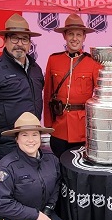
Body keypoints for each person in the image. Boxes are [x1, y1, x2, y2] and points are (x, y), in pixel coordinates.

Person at [0, 14, 44, 163]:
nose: (19, 44)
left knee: (32, 182)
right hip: (6, 142)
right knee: (6, 183)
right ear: (5, 41)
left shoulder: (35, 68)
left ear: (30, 43)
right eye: (14, 38)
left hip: (32, 140)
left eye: (24, 39)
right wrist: (0, 123)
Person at [43, 14, 101, 158]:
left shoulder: (92, 62)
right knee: (59, 163)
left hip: (82, 127)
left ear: (84, 37)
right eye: (70, 34)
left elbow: (99, 98)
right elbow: (48, 94)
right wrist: (49, 125)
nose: (74, 38)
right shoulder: (54, 59)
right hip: (59, 126)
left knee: (80, 167)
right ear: (64, 36)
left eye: (78, 35)